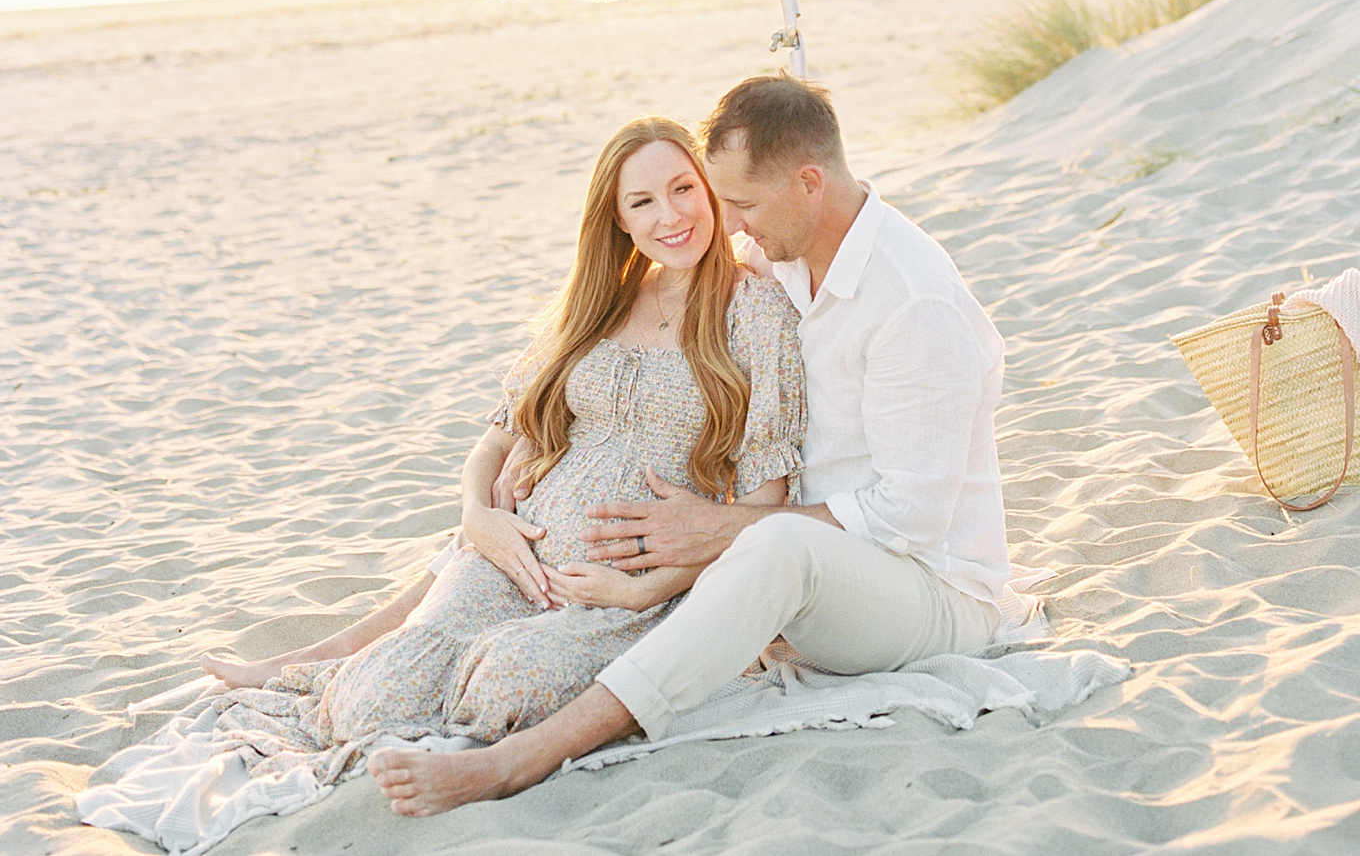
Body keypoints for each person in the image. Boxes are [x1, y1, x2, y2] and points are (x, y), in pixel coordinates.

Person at [77, 116, 804, 848]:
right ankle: (334, 679)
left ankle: (473, 756)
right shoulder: (601, 301)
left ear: (711, 191)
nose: (670, 215)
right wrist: (476, 518)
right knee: (373, 693)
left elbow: (765, 507)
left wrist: (650, 586)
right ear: (616, 218)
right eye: (642, 201)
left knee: (509, 685)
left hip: (625, 585)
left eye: (683, 189)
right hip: (512, 550)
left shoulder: (753, 311)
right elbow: (496, 437)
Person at [366, 73, 1009, 817]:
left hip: (931, 586)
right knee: (766, 551)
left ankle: (522, 759)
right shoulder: (796, 246)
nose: (729, 225)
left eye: (741, 205)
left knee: (775, 550)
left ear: (808, 183)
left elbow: (909, 518)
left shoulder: (912, 302)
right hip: (818, 572)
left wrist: (721, 532)